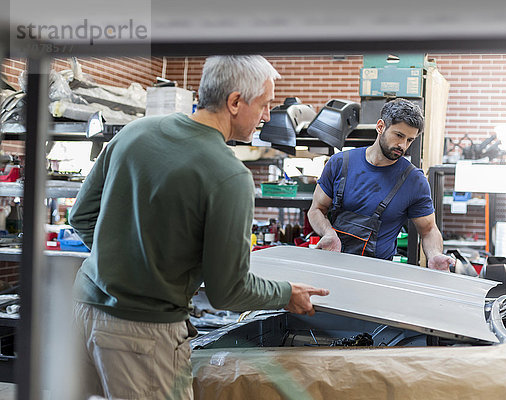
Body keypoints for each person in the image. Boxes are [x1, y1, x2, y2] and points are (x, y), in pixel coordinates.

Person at [70, 55, 329, 400]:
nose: (267, 116)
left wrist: (126, 264)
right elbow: (228, 291)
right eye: (265, 105)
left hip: (83, 311)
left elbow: (82, 217)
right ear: (235, 102)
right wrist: (286, 294)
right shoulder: (229, 175)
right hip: (143, 335)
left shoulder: (136, 132)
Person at [307, 98, 454, 271]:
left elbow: (428, 230)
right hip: (333, 266)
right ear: (380, 126)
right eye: (399, 135)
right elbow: (316, 209)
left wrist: (435, 254)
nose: (403, 145)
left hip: (378, 274)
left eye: (409, 140)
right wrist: (328, 233)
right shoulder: (340, 163)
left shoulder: (414, 180)